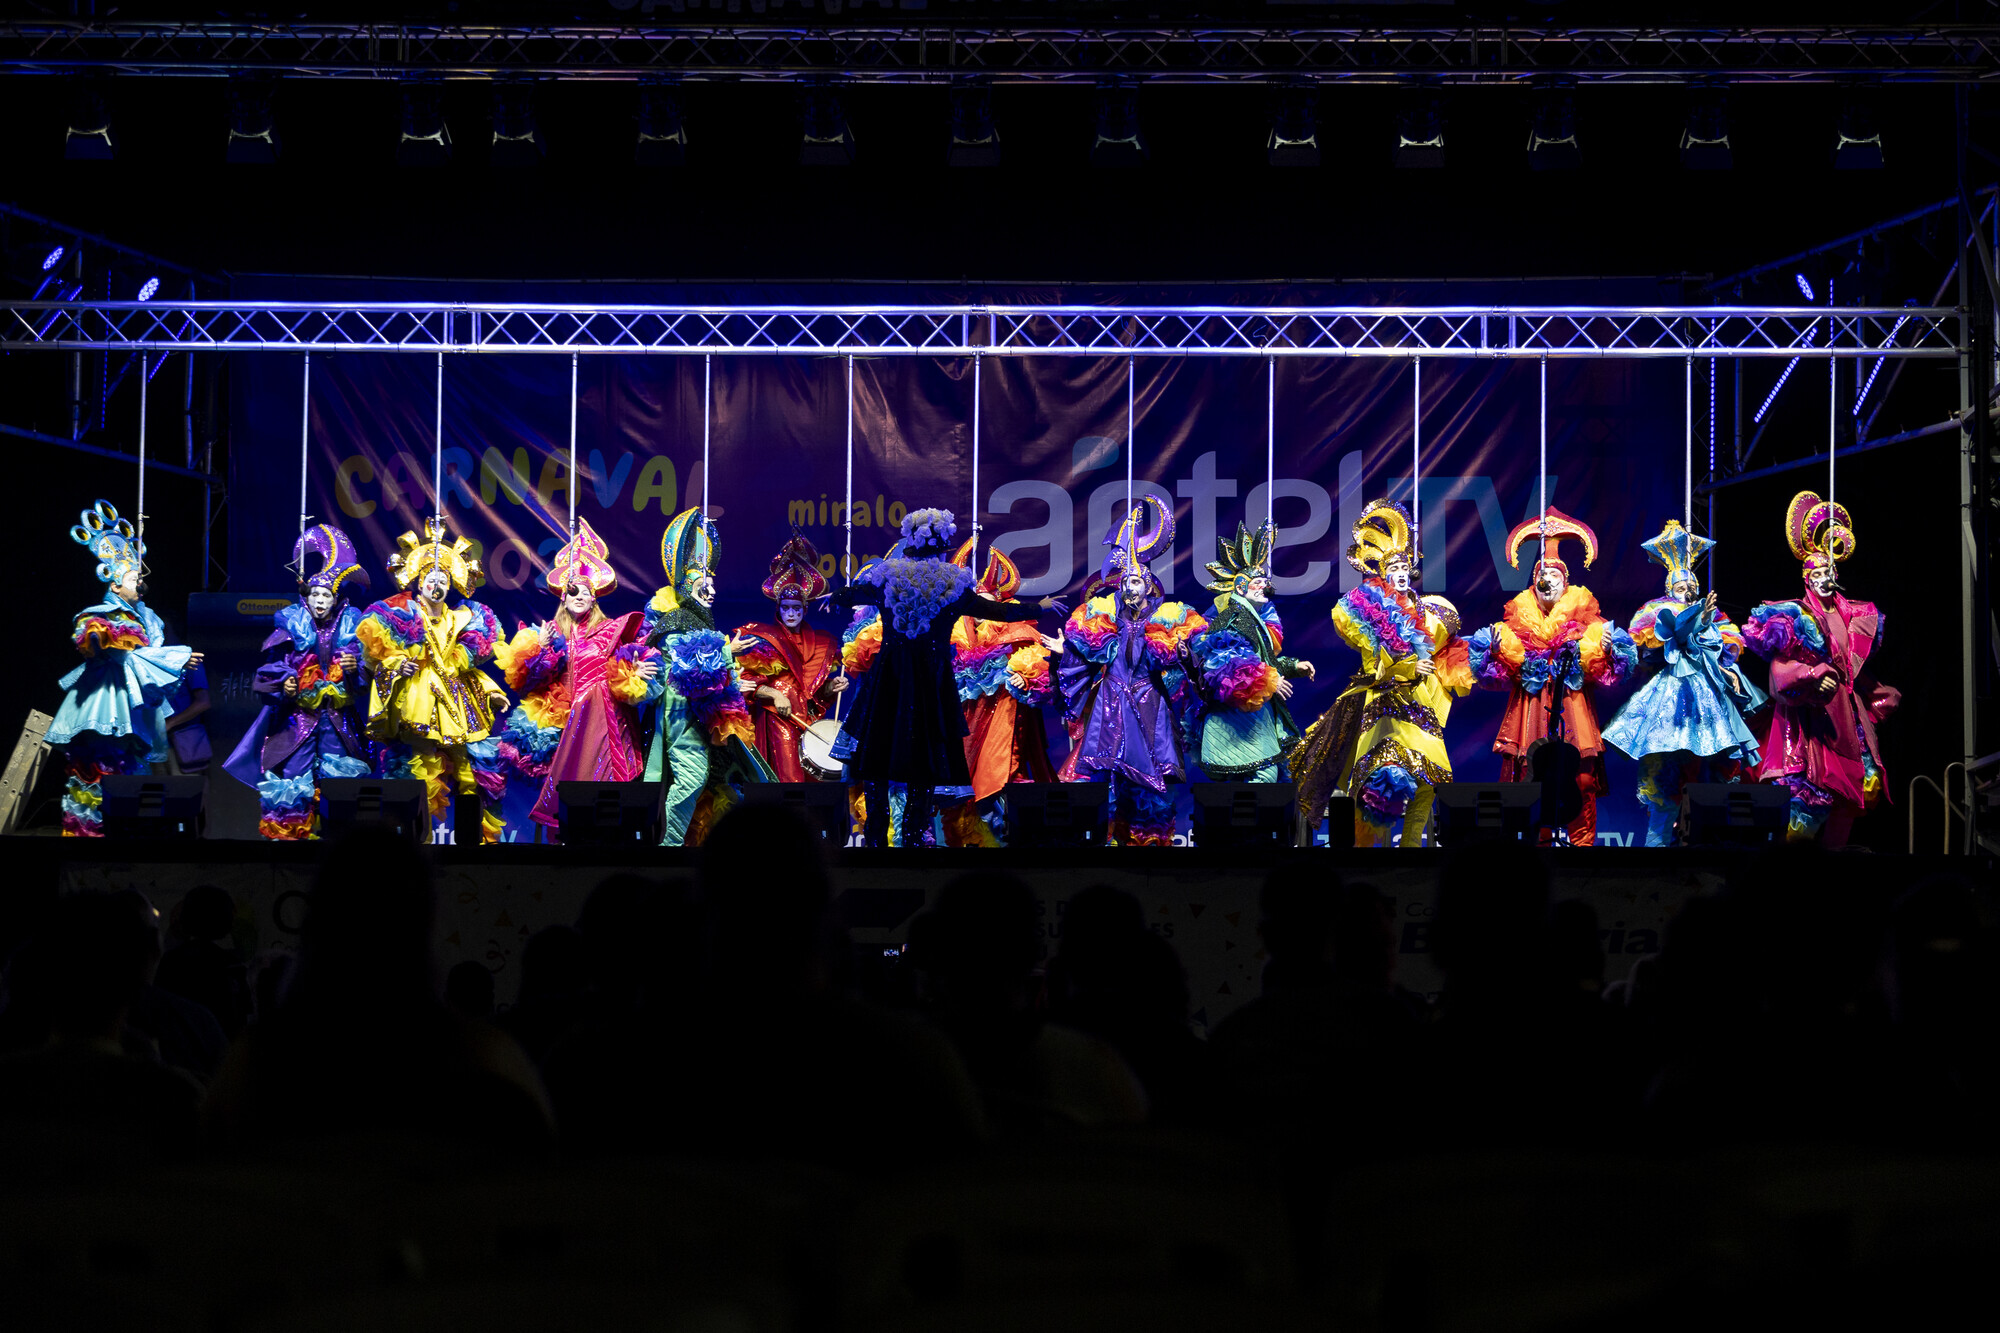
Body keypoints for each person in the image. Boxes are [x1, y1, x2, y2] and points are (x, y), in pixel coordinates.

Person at [827, 508, 1049, 848]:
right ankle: (913, 838)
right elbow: (997, 611)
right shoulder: (952, 583)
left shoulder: (887, 576)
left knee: (876, 757)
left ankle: (875, 840)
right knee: (923, 760)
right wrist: (1039, 607)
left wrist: (835, 595)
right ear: (941, 547)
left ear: (910, 542)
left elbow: (849, 596)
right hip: (930, 682)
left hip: (891, 678)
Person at [1291, 498, 1472, 848]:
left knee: (1429, 778)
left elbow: (1448, 649)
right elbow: (1375, 659)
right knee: (1381, 780)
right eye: (1394, 568)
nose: (1401, 572)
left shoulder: (1432, 612)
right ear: (1384, 574)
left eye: (1405, 566)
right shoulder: (1367, 607)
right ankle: (1371, 855)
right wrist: (1408, 665)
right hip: (1384, 702)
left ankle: (1411, 849)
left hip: (1418, 703)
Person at [1467, 508, 1637, 847]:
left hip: (1571, 706)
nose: (1548, 580)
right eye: (1542, 574)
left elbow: (1609, 671)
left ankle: (1582, 847)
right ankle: (1538, 847)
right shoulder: (1516, 620)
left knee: (1581, 778)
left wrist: (1610, 651)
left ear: (1565, 581)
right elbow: (1497, 675)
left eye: (1555, 575)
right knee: (1530, 776)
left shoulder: (1586, 619)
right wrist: (1494, 653)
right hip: (1531, 708)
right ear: (1535, 582)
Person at [1742, 492, 1899, 847]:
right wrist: (1812, 676)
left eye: (1829, 571)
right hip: (1811, 718)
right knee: (1810, 794)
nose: (1825, 578)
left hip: (1846, 715)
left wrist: (1873, 691)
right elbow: (1780, 670)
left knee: (1858, 786)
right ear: (1807, 579)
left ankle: (1834, 860)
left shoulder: (1853, 614)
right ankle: (1791, 865)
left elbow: (1849, 668)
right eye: (1818, 573)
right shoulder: (1795, 617)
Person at [492, 519, 663, 840]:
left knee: (607, 799)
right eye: (573, 592)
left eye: (586, 591)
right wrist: (540, 650)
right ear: (563, 597)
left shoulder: (611, 630)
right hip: (563, 724)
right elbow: (531, 683)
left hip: (604, 721)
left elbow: (630, 661)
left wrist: (634, 671)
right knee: (567, 803)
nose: (580, 596)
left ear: (594, 597)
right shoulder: (552, 633)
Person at [1602, 520, 1768, 846]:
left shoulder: (1712, 617)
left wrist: (1707, 627)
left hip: (1707, 703)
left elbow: (1724, 648)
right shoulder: (1657, 611)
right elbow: (1656, 642)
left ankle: (1706, 850)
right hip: (1670, 701)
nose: (1688, 592)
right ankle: (1656, 856)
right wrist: (1696, 621)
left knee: (1709, 780)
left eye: (1692, 587)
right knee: (1665, 785)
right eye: (1681, 588)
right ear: (1670, 590)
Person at [1056, 499, 1207, 846]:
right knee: (1108, 777)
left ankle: (1149, 842)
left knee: (1150, 780)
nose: (1129, 587)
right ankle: (1108, 842)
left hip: (1148, 702)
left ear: (1149, 585)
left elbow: (1189, 660)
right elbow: (1084, 656)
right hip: (1111, 702)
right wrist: (1065, 651)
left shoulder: (1167, 618)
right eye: (1125, 581)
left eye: (1136, 581)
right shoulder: (1104, 617)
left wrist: (1185, 656)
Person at [47, 501, 201, 837]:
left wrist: (172, 659)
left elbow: (144, 656)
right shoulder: (100, 614)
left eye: (140, 578)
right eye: (133, 579)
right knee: (97, 768)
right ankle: (87, 836)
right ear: (115, 585)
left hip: (131, 704)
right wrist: (173, 658)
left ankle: (123, 835)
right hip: (104, 700)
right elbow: (111, 648)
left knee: (130, 771)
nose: (140, 584)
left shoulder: (146, 618)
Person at [356, 518, 512, 843]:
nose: (437, 584)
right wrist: (398, 665)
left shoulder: (463, 618)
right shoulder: (404, 614)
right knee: (420, 770)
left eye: (443, 579)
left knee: (471, 772)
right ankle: (418, 844)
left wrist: (491, 691)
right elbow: (381, 655)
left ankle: (476, 844)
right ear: (420, 582)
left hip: (457, 702)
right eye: (431, 578)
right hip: (420, 699)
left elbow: (467, 667)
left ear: (451, 584)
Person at [222, 523, 375, 839]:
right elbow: (269, 670)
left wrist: (353, 669)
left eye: (326, 595)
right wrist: (285, 684)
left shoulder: (351, 627)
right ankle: (290, 850)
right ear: (307, 597)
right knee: (293, 781)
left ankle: (340, 846)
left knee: (340, 782)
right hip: (298, 719)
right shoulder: (291, 626)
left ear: (335, 599)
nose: (320, 600)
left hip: (337, 719)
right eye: (315, 594)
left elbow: (365, 679)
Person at [642, 507, 772, 847]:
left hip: (701, 715)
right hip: (680, 714)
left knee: (711, 780)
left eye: (713, 586)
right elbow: (690, 668)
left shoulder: (699, 621)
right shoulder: (676, 621)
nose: (712, 592)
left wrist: (734, 682)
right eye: (704, 586)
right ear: (687, 587)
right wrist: (729, 651)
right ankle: (667, 848)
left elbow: (711, 675)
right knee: (691, 779)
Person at [938, 538, 1060, 846]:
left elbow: (1039, 663)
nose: (980, 610)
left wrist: (1023, 677)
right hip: (969, 720)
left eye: (986, 602)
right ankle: (979, 840)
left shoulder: (1015, 631)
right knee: (966, 781)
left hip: (1004, 715)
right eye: (975, 602)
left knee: (998, 771)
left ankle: (1011, 838)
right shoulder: (958, 637)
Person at [1189, 520, 1315, 783]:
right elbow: (1229, 668)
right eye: (1258, 582)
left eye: (1265, 582)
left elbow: (1262, 661)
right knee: (1264, 777)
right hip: (1236, 717)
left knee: (1260, 780)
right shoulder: (1234, 617)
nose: (1265, 587)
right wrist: (1269, 680)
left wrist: (1293, 666)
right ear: (1240, 587)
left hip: (1251, 713)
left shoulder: (1250, 618)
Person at [733, 532, 847, 783]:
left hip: (808, 718)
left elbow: (813, 691)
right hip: (779, 716)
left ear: (804, 609)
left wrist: (831, 687)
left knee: (813, 780)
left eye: (796, 608)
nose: (791, 613)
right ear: (779, 609)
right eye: (786, 607)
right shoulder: (764, 639)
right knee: (789, 779)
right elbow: (748, 683)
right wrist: (775, 694)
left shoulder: (821, 642)